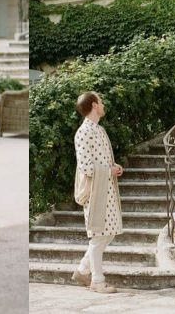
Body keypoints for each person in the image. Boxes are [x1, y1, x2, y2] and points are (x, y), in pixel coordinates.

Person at [70, 91, 123, 294]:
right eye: (100, 102)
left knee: (108, 233)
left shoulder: (99, 130)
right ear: (93, 105)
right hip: (94, 191)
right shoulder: (83, 133)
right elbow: (85, 166)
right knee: (98, 236)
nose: (102, 105)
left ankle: (83, 270)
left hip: (108, 188)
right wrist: (108, 171)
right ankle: (97, 281)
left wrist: (113, 167)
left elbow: (102, 161)